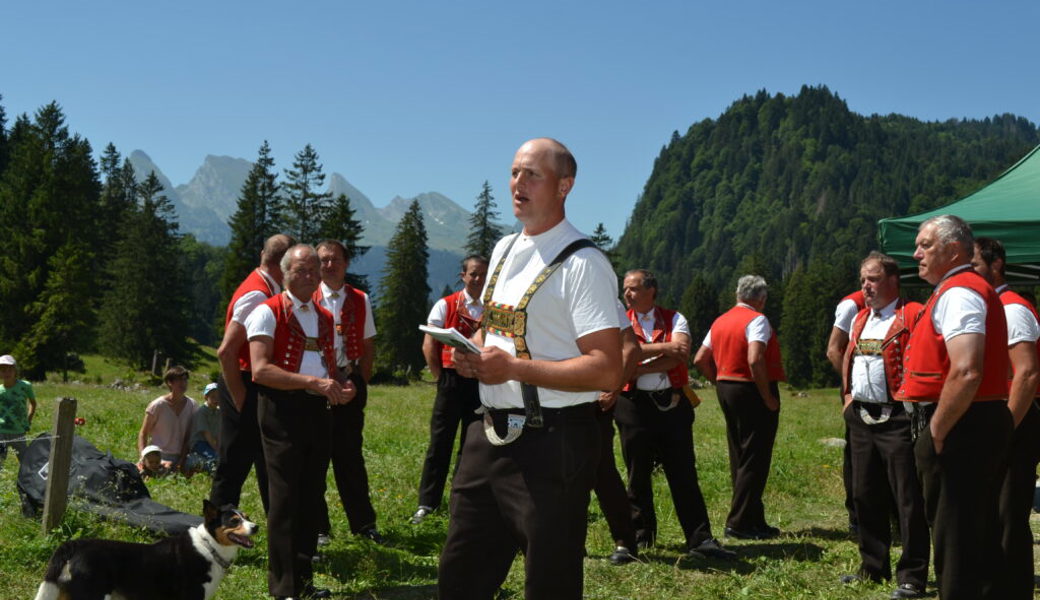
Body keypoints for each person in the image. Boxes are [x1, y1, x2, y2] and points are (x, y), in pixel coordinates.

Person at [439, 138, 622, 599]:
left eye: (533, 174)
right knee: (459, 577)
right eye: (514, 172)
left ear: (564, 186)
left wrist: (513, 370)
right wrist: (474, 354)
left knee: (549, 583)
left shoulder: (584, 264)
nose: (518, 183)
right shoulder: (503, 248)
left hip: (554, 441)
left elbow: (606, 369)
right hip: (487, 435)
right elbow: (495, 331)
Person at [896, 215, 1011, 600]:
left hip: (962, 423)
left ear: (954, 250)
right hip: (973, 418)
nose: (916, 254)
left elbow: (966, 370)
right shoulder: (961, 289)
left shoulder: (959, 292)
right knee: (976, 532)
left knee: (956, 537)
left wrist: (936, 432)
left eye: (925, 245)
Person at [246, 243, 355, 600]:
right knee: (285, 498)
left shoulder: (324, 316)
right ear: (285, 274)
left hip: (317, 410)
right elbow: (260, 371)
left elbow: (330, 367)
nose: (309, 276)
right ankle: (284, 588)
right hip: (281, 409)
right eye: (301, 270)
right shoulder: (266, 312)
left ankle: (304, 582)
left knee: (311, 495)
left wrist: (343, 384)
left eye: (313, 270)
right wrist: (312, 383)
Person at [615, 269, 734, 559]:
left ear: (651, 290)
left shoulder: (675, 318)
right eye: (625, 288)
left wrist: (637, 365)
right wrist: (662, 348)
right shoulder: (620, 322)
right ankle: (641, 537)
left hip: (672, 402)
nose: (627, 293)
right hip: (632, 404)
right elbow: (621, 355)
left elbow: (679, 354)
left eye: (633, 288)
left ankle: (699, 538)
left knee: (683, 472)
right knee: (637, 473)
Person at [838, 252, 929, 599]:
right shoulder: (860, 317)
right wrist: (848, 396)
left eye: (873, 279)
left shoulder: (913, 314)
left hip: (898, 418)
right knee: (864, 494)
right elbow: (848, 356)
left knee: (907, 499)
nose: (866, 286)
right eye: (863, 280)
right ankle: (873, 567)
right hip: (861, 418)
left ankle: (912, 575)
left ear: (893, 281)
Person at [972, 236, 1040, 600]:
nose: (969, 273)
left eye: (975, 265)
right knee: (992, 512)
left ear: (996, 264)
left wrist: (1005, 427)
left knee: (1009, 514)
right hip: (997, 418)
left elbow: (1027, 374)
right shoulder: (990, 305)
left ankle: (1014, 591)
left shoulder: (1012, 308)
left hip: (1015, 419)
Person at [693, 275, 783, 540]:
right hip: (751, 389)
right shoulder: (757, 320)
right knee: (756, 455)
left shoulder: (720, 321)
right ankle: (739, 522)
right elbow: (755, 359)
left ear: (737, 294)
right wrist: (767, 396)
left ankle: (754, 518)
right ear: (761, 299)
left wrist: (718, 380)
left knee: (739, 453)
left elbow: (700, 359)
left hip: (726, 386)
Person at [211, 233, 294, 513]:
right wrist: (241, 400)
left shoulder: (264, 286)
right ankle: (217, 525)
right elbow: (226, 351)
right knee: (234, 461)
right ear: (284, 265)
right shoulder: (258, 294)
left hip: (249, 381)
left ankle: (278, 523)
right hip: (242, 381)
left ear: (263, 255)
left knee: (265, 458)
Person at [312, 239, 383, 544]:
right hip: (315, 387)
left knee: (350, 457)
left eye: (335, 260)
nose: (329, 265)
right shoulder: (307, 297)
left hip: (349, 384)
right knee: (314, 459)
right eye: (324, 260)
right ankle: (318, 527)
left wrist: (358, 381)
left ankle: (364, 524)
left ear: (346, 263)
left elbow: (367, 345)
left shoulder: (360, 298)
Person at [412, 255, 488, 524]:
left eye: (483, 274)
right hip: (451, 380)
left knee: (472, 444)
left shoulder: (495, 308)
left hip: (482, 383)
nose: (478, 279)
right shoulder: (445, 304)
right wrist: (440, 376)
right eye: (473, 274)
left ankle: (462, 501)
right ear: (463, 276)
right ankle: (427, 502)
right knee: (440, 442)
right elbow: (428, 344)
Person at [591, 299, 641, 565]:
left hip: (592, 401)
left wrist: (614, 387)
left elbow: (631, 347)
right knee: (559, 472)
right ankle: (566, 540)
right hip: (552, 397)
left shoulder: (604, 298)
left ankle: (625, 541)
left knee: (602, 472)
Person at [826, 289, 866, 533]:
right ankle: (856, 515)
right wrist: (849, 386)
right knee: (857, 451)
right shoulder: (852, 304)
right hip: (855, 390)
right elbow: (833, 349)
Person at [137, 365, 196, 473]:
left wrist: (182, 459)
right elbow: (143, 433)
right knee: (163, 470)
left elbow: (189, 436)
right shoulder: (157, 405)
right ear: (170, 382)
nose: (183, 383)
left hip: (183, 454)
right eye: (179, 380)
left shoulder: (192, 405)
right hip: (159, 454)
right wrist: (143, 457)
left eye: (185, 380)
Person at [0, 354, 36, 468]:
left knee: (26, 463)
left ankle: (27, 480)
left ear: (15, 371)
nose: (7, 373)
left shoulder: (25, 386)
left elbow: (33, 403)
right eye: (3, 370)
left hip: (19, 431)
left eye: (10, 369)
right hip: (1, 432)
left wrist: (28, 420)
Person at [186, 382, 221, 474]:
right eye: (213, 397)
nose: (216, 400)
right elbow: (206, 433)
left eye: (219, 397)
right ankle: (213, 474)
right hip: (199, 443)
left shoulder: (218, 412)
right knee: (214, 457)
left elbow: (218, 432)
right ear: (206, 397)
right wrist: (216, 448)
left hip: (210, 443)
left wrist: (219, 446)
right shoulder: (202, 412)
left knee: (221, 456)